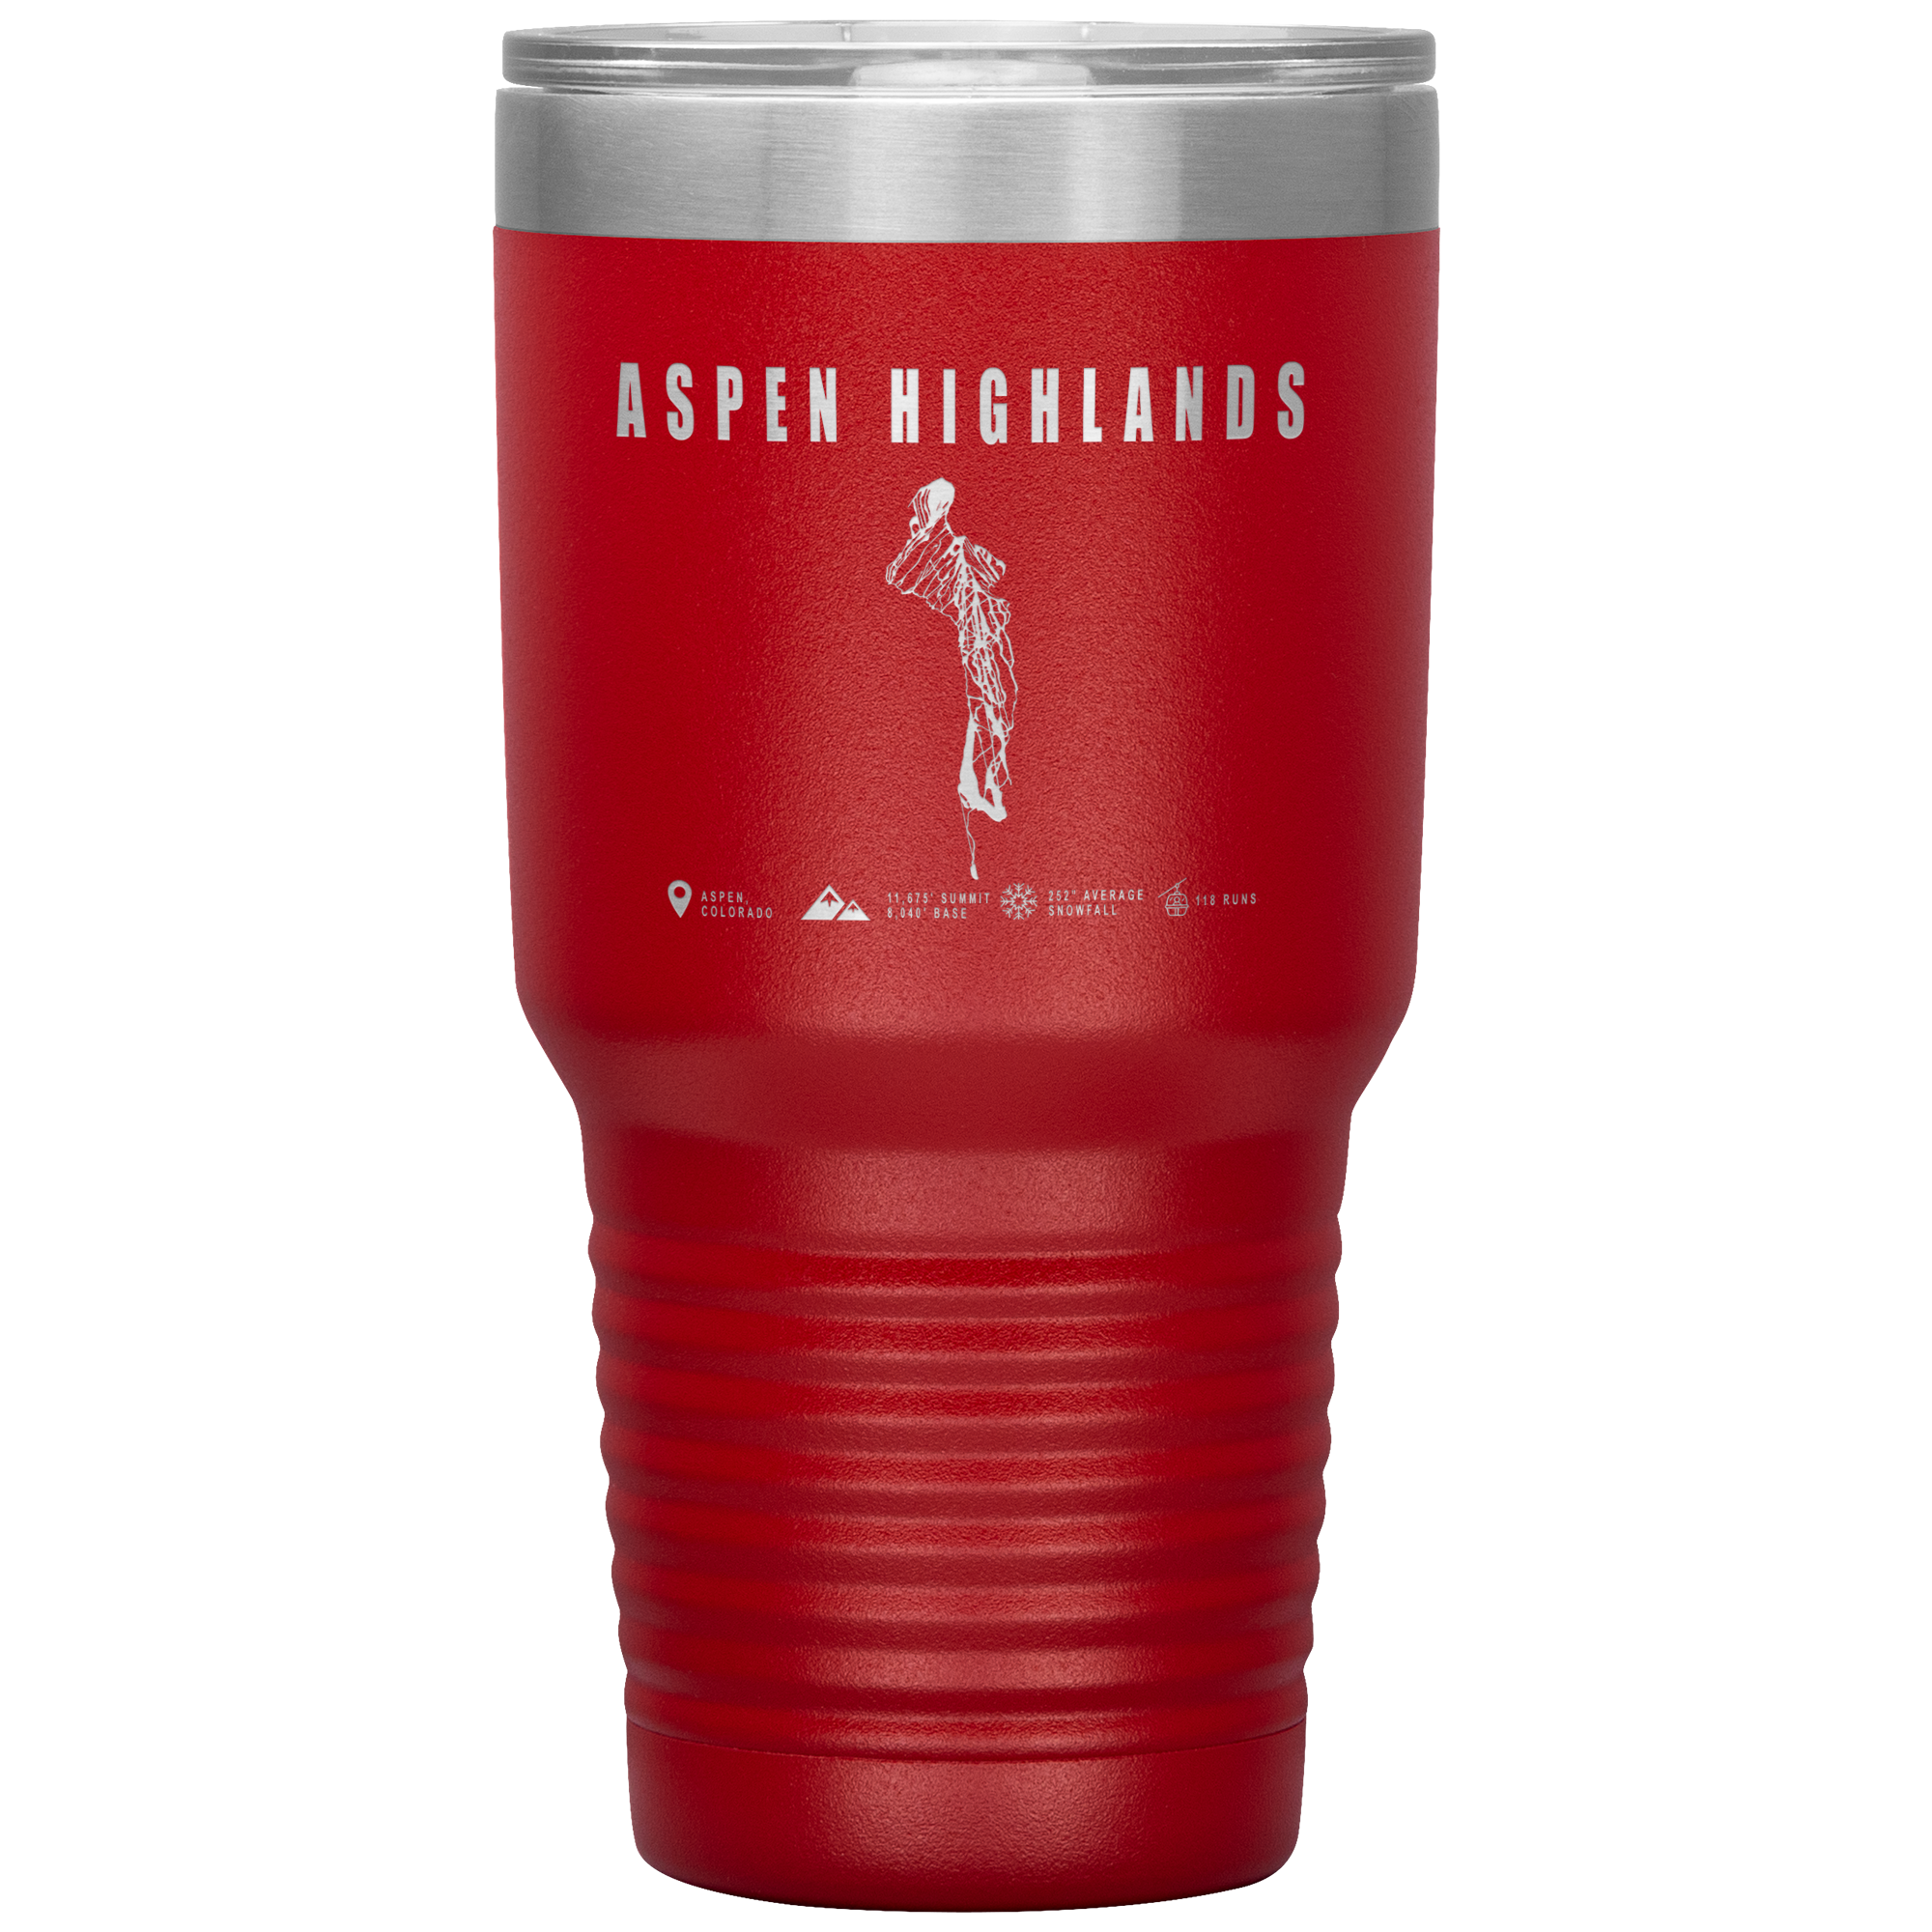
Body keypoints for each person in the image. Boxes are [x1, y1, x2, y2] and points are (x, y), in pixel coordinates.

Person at [884, 479, 1016, 880]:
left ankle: (982, 784)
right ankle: (978, 786)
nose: (943, 513)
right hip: (962, 642)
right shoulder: (926, 550)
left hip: (981, 637)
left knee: (993, 703)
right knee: (982, 704)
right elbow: (900, 576)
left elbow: (997, 572)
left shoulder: (957, 546)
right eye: (938, 507)